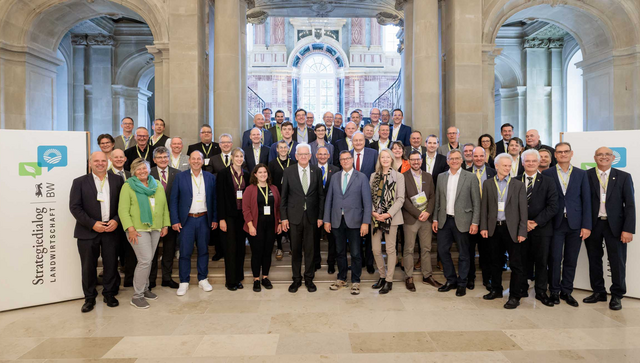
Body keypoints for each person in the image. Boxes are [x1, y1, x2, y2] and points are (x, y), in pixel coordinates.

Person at [69, 151, 123, 313]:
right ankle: (89, 298)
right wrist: (93, 224)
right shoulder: (79, 182)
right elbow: (75, 208)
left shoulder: (117, 180)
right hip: (88, 231)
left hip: (111, 229)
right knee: (88, 266)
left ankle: (109, 294)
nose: (100, 163)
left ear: (108, 163)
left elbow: (124, 204)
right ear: (90, 163)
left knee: (111, 264)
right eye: (96, 161)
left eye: (103, 161)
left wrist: (116, 220)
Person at [584, 147, 635, 310]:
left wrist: (628, 229)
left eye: (607, 154)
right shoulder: (586, 175)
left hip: (616, 226)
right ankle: (598, 292)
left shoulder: (624, 177)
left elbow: (630, 205)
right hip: (593, 224)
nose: (603, 157)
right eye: (600, 154)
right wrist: (584, 225)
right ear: (594, 157)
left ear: (613, 157)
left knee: (617, 261)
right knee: (594, 259)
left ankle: (617, 295)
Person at [542, 142, 592, 307]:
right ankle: (554, 291)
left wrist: (586, 226)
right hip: (555, 223)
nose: (563, 154)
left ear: (571, 154)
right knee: (555, 258)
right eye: (559, 152)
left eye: (566, 152)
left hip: (575, 224)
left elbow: (587, 201)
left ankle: (566, 291)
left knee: (571, 259)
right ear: (555, 155)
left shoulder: (581, 174)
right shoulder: (547, 173)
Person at [118, 158, 170, 309]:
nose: (142, 171)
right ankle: (137, 295)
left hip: (155, 227)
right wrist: (130, 229)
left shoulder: (157, 184)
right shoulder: (128, 186)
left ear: (149, 169)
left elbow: (163, 206)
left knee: (149, 260)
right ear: (133, 171)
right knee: (145, 260)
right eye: (138, 169)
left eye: (144, 168)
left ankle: (145, 288)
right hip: (137, 229)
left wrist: (165, 224)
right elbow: (123, 210)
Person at [480, 153, 528, 309]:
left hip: (512, 229)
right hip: (494, 228)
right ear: (497, 166)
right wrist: (484, 227)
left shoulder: (518, 185)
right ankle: (496, 290)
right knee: (495, 262)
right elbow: (484, 208)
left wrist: (522, 231)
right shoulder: (488, 184)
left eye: (509, 165)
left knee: (516, 264)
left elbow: (523, 211)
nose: (508, 168)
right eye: (505, 165)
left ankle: (515, 296)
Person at [432, 149, 480, 297]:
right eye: (451, 158)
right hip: (444, 220)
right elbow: (438, 200)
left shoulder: (470, 177)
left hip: (463, 221)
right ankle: (451, 279)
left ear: (462, 160)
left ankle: (462, 283)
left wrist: (475, 222)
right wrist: (435, 218)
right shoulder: (441, 177)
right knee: (442, 251)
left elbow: (476, 202)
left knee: (464, 254)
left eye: (457, 158)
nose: (454, 161)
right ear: (447, 161)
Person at [170, 151, 218, 296]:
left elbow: (214, 200)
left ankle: (203, 278)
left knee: (203, 250)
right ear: (189, 161)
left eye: (199, 159)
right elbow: (173, 200)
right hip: (187, 220)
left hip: (204, 219)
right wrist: (175, 220)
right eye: (194, 159)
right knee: (185, 252)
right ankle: (184, 282)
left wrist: (215, 218)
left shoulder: (210, 177)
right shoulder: (180, 176)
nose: (196, 161)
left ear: (203, 161)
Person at [324, 150, 372, 295]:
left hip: (355, 221)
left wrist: (365, 222)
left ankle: (356, 281)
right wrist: (327, 219)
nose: (345, 161)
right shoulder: (334, 177)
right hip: (337, 220)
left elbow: (367, 202)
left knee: (356, 253)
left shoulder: (362, 177)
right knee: (340, 251)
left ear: (352, 160)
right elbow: (329, 200)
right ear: (340, 161)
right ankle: (341, 278)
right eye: (342, 159)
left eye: (347, 158)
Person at [280, 143, 324, 293]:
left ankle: (309, 279)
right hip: (294, 217)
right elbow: (283, 196)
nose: (303, 156)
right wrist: (283, 218)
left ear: (311, 156)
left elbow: (320, 196)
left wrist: (320, 216)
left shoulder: (317, 171)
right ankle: (296, 279)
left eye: (306, 154)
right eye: (301, 154)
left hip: (312, 217)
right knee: (296, 249)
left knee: (311, 250)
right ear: (296, 156)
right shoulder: (288, 171)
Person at [516, 149, 558, 307]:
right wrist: (524, 221)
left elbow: (553, 206)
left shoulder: (548, 181)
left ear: (539, 162)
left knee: (541, 261)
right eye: (527, 161)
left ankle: (541, 291)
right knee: (522, 260)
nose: (531, 163)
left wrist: (535, 222)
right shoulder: (515, 180)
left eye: (534, 161)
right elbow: (510, 205)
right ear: (522, 163)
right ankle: (522, 288)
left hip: (542, 229)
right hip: (521, 228)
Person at [403, 151, 442, 290]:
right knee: (409, 249)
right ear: (409, 161)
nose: (416, 162)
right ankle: (409, 277)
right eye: (413, 160)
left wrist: (428, 213)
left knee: (426, 248)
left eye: (418, 160)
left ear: (421, 160)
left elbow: (432, 196)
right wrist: (418, 213)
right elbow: (404, 199)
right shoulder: (403, 177)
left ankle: (427, 276)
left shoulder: (428, 176)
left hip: (426, 219)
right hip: (411, 218)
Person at [369, 149, 405, 294]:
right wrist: (373, 212)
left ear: (392, 159)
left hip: (392, 218)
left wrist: (388, 214)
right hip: (375, 218)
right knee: (376, 249)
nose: (385, 159)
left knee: (390, 250)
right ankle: (382, 276)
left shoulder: (399, 176)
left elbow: (401, 198)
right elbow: (369, 196)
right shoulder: (373, 176)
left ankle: (389, 280)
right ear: (380, 159)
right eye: (382, 157)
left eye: (387, 157)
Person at [242, 164, 282, 292]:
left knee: (267, 252)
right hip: (255, 226)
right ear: (255, 174)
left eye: (265, 172)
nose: (263, 174)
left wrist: (279, 223)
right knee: (257, 253)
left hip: (271, 225)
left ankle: (265, 277)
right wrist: (250, 225)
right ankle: (256, 279)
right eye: (260, 172)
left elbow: (278, 207)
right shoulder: (250, 189)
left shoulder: (274, 188)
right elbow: (246, 209)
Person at [217, 148, 250, 290]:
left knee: (240, 248)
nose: (239, 158)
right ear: (231, 157)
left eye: (241, 156)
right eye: (236, 156)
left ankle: (238, 278)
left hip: (242, 216)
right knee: (230, 249)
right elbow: (219, 198)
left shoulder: (247, 175)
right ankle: (230, 280)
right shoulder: (223, 174)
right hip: (228, 216)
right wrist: (221, 218)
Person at [149, 147, 180, 289]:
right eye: (160, 157)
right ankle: (151, 279)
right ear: (154, 160)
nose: (163, 160)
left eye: (165, 157)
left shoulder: (177, 174)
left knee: (169, 250)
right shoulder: (148, 174)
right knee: (152, 251)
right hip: (152, 219)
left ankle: (167, 278)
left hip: (172, 218)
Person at [467, 146, 497, 289]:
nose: (478, 158)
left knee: (487, 251)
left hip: (487, 219)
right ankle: (470, 278)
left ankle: (487, 279)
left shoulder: (493, 173)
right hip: (469, 219)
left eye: (481, 156)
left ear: (485, 156)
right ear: (471, 157)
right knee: (469, 251)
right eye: (475, 156)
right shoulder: (465, 173)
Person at [352, 132, 378, 274]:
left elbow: (377, 173)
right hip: (352, 201)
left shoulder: (373, 153)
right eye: (355, 140)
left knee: (369, 233)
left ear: (364, 141)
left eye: (360, 140)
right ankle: (359, 260)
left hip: (369, 197)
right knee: (355, 232)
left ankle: (369, 262)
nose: (358, 142)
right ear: (352, 141)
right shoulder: (347, 155)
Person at [268, 140, 294, 260]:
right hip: (277, 196)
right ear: (277, 150)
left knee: (292, 221)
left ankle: (293, 247)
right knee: (278, 220)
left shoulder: (293, 163)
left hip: (291, 196)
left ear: (288, 149)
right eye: (281, 147)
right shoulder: (272, 164)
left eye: (285, 147)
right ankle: (279, 246)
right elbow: (269, 181)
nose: (283, 149)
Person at [315, 145, 339, 273]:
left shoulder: (336, 170)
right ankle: (316, 261)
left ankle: (331, 262)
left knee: (332, 238)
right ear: (316, 156)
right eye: (320, 154)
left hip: (332, 208)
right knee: (314, 237)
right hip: (315, 208)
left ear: (329, 156)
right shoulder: (312, 169)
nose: (323, 156)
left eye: (325, 154)